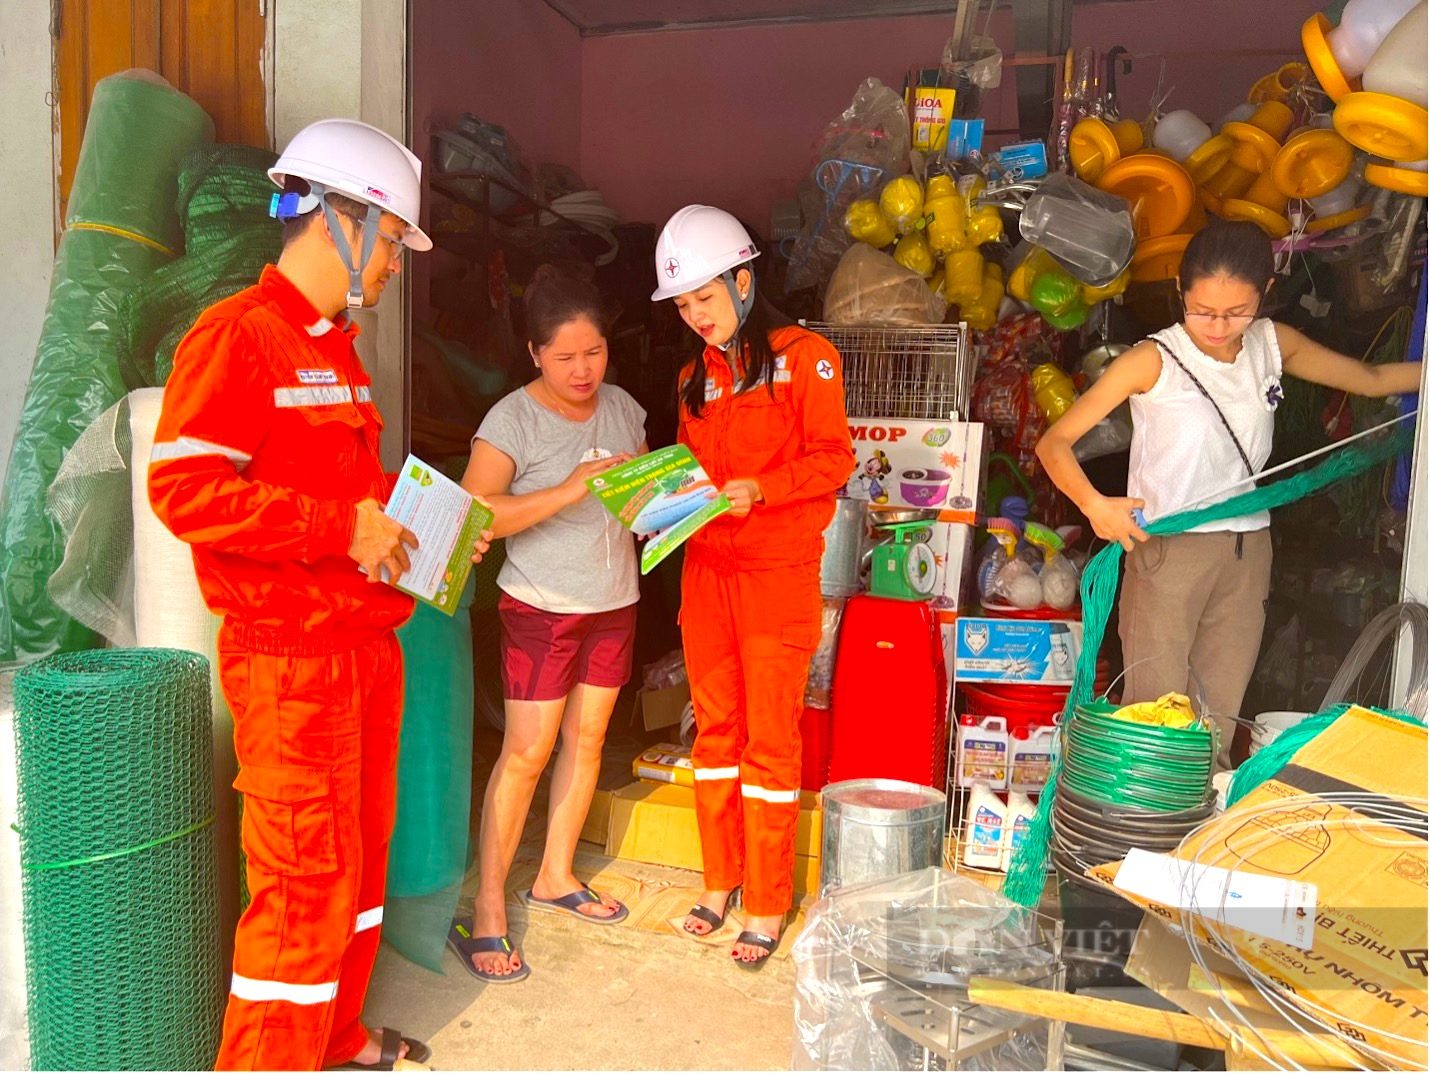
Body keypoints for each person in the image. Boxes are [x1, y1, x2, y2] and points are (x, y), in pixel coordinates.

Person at [150, 118, 489, 1071]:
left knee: (355, 878)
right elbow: (185, 490)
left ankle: (336, 1039)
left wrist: (424, 520)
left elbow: (342, 490)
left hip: (360, 654)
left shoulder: (332, 349)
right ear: (336, 220)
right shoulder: (237, 340)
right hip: (293, 669)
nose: (391, 268)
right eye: (388, 243)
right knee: (302, 892)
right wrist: (343, 529)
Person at [1037, 219, 1421, 769]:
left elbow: (1372, 378)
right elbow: (1056, 443)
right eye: (1202, 310)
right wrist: (1095, 505)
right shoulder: (1153, 360)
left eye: (1235, 312)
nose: (1218, 326)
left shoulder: (1271, 344)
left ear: (1264, 294)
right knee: (1155, 715)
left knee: (1219, 713)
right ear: (1180, 293)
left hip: (1247, 550)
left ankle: (1195, 838)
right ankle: (1143, 838)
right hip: (1168, 551)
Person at [650, 206, 854, 968]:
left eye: (704, 297)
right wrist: (653, 503)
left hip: (777, 575)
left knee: (770, 742)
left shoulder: (807, 358)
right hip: (706, 573)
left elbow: (833, 459)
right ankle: (718, 882)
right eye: (682, 305)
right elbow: (687, 472)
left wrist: (760, 490)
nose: (694, 316)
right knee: (714, 733)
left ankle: (767, 901)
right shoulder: (690, 378)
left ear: (743, 279)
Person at [451, 266, 647, 984]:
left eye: (592, 353)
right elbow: (476, 510)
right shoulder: (512, 419)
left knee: (588, 738)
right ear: (534, 354)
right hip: (540, 607)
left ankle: (556, 874)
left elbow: (630, 496)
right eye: (563, 357)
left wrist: (658, 499)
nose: (581, 370)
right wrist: (569, 489)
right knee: (527, 752)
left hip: (613, 599)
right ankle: (491, 906)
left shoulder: (624, 408)